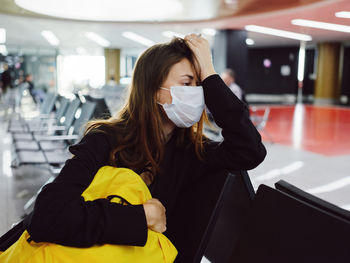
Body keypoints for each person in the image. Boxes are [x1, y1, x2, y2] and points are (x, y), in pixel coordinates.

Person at [26, 35, 266, 261]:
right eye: (187, 83)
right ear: (153, 90)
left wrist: (211, 75)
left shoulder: (190, 151)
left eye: (200, 85)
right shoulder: (106, 139)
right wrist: (140, 217)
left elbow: (250, 150)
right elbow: (47, 215)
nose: (197, 94)